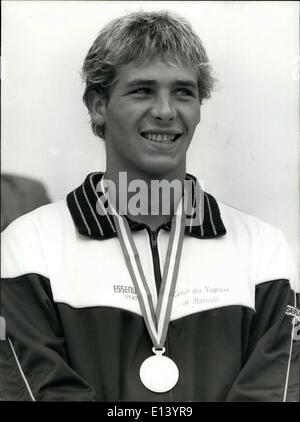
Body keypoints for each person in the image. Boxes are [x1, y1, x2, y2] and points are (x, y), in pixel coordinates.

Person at [0, 10, 299, 402]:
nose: (165, 110)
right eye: (142, 90)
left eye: (183, 92)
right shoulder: (28, 247)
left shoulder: (263, 249)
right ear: (97, 106)